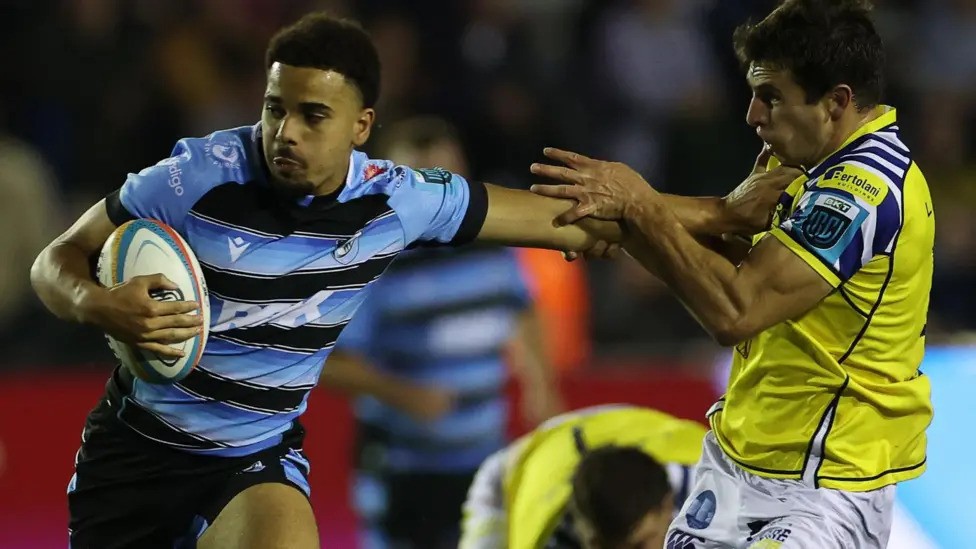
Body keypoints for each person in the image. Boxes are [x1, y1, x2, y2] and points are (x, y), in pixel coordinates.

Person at [29, 12, 793, 549]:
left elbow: (570, 217)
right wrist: (99, 303)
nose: (285, 132)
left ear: (361, 126)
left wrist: (719, 211)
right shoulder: (193, 176)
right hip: (137, 452)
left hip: (254, 459)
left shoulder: (398, 198)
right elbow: (54, 261)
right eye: (273, 109)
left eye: (312, 115)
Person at [531, 1, 933, 547]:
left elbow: (736, 309)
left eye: (772, 96)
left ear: (836, 102)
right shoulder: (807, 165)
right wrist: (633, 221)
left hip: (823, 486)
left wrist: (641, 211)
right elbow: (725, 251)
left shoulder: (864, 188)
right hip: (735, 466)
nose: (752, 115)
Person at [320, 116, 563, 549]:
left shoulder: (494, 248)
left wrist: (540, 384)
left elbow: (524, 309)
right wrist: (402, 394)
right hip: (402, 470)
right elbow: (328, 362)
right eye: (421, 181)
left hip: (485, 461)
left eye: (444, 179)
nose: (434, 196)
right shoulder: (369, 261)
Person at [459, 405, 707, 549]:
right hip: (518, 468)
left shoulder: (719, 496)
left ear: (666, 508)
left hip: (626, 426)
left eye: (640, 545)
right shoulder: (554, 538)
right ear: (593, 542)